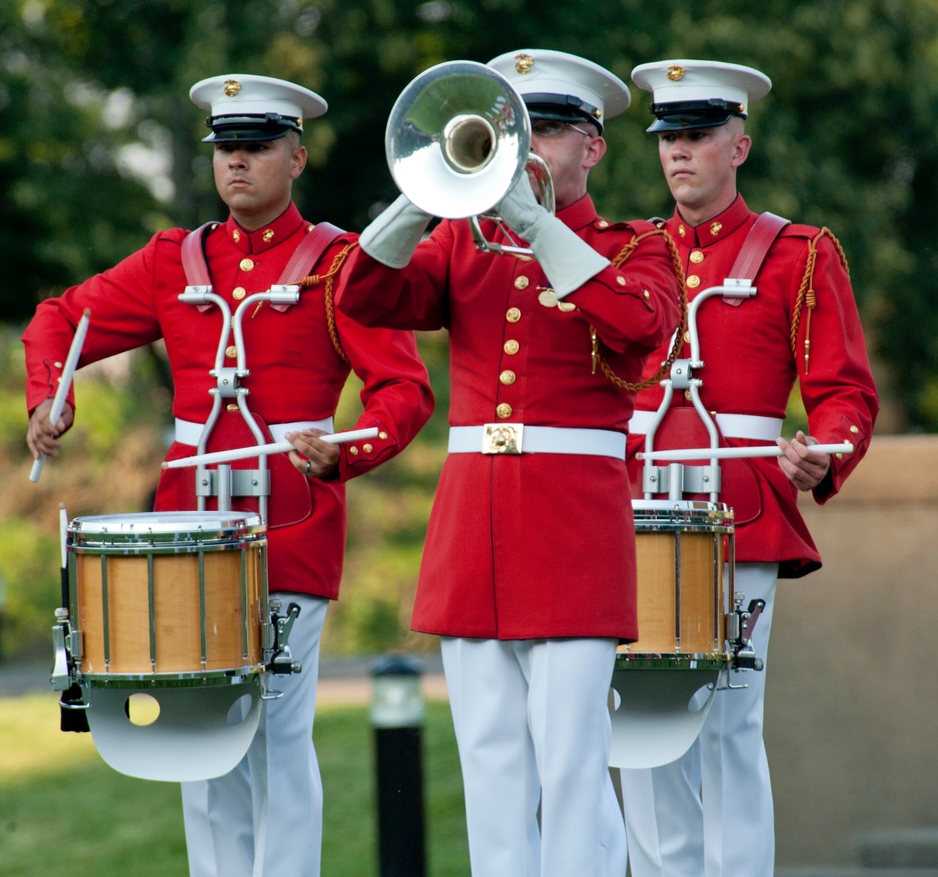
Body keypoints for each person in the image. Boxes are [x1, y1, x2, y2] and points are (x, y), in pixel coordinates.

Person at [22, 73, 434, 877]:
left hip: (291, 521)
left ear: (298, 157)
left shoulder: (342, 265)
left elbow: (404, 391)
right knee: (195, 729)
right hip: (187, 531)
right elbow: (60, 317)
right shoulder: (172, 260)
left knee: (278, 731)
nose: (236, 163)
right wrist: (50, 394)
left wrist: (348, 449)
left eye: (255, 148)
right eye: (226, 149)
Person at [336, 48, 683, 877]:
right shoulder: (462, 243)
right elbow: (361, 296)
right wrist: (422, 198)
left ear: (593, 146)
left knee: (570, 768)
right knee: (490, 770)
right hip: (473, 529)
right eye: (513, 126)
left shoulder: (637, 247)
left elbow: (638, 326)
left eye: (552, 129)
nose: (528, 143)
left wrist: (534, 222)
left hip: (571, 533)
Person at [618, 60, 880, 877]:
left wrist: (820, 453)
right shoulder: (632, 252)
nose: (679, 154)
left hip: (741, 511)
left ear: (741, 144)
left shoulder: (798, 253)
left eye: (697, 137)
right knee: (644, 729)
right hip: (635, 510)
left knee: (728, 723)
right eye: (668, 138)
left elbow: (843, 391)